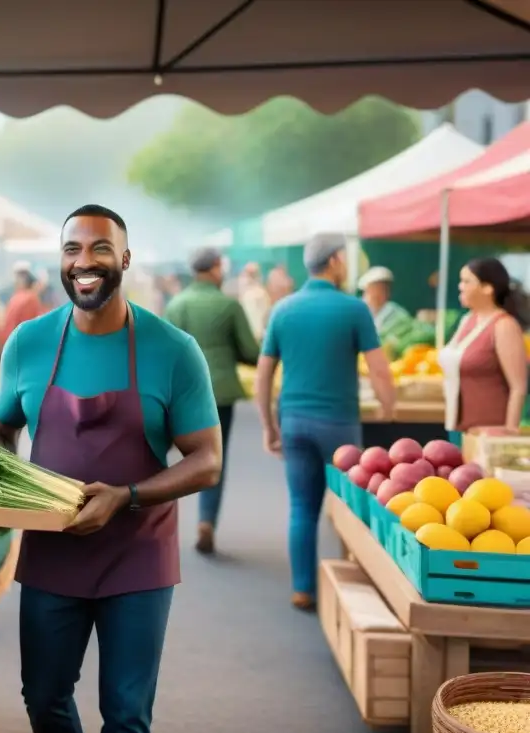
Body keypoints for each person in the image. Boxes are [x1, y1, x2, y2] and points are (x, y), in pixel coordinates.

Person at [0, 204, 222, 733]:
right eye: (72, 249)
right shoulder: (28, 342)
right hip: (52, 549)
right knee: (43, 697)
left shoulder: (173, 350)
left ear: (125, 259)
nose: (84, 262)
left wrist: (128, 497)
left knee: (126, 711)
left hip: (138, 554)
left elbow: (207, 459)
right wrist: (9, 486)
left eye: (99, 249)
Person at [255, 233, 395, 612]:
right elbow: (379, 369)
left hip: (295, 422)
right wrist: (388, 405)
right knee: (351, 509)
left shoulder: (283, 310)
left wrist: (269, 426)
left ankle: (303, 588)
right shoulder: (354, 309)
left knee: (302, 507)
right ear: (334, 261)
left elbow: (263, 375)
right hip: (340, 425)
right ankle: (355, 592)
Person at [164, 247, 259, 554]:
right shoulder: (229, 305)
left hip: (178, 395)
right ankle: (206, 521)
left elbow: (163, 352)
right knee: (212, 458)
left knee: (159, 456)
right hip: (219, 394)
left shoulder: (176, 305)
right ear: (217, 269)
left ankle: (151, 518)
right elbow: (250, 352)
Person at [440, 257, 528, 440]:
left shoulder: (504, 326)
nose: (460, 286)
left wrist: (509, 431)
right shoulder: (467, 320)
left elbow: (518, 386)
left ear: (488, 288)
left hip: (488, 434)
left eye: (467, 281)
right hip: (459, 428)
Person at [0, 263, 45, 350]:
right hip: (19, 345)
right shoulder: (31, 298)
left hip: (7, 342)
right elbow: (28, 327)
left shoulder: (15, 297)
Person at [358, 266, 411, 334]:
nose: (380, 292)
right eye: (375, 287)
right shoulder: (355, 309)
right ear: (367, 289)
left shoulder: (398, 313)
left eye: (384, 288)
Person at [238, 262, 272, 340]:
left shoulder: (260, 293)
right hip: (251, 334)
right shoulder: (247, 293)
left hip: (258, 334)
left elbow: (266, 313)